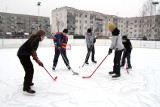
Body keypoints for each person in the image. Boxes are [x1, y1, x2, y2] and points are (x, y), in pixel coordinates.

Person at [17, 30, 45, 95]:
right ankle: (26, 88)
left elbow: (32, 50)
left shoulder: (35, 38)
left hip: (24, 54)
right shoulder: (36, 38)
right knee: (29, 70)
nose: (44, 37)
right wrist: (37, 60)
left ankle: (28, 82)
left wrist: (37, 60)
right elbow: (32, 48)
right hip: (23, 54)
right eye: (43, 36)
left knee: (30, 69)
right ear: (41, 35)